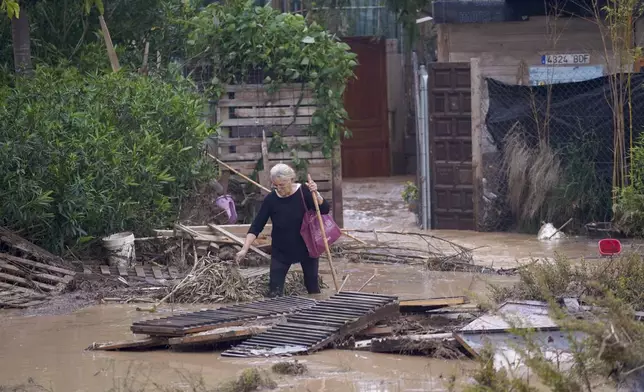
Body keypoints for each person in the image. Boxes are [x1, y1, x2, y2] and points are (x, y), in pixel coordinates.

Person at [235, 163, 330, 297]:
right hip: (281, 250)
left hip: (307, 247)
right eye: (275, 185)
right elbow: (256, 226)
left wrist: (317, 194)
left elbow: (325, 209)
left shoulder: (304, 192)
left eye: (282, 185)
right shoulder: (271, 199)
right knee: (274, 291)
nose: (279, 189)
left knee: (313, 288)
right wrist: (244, 248)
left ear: (291, 179)